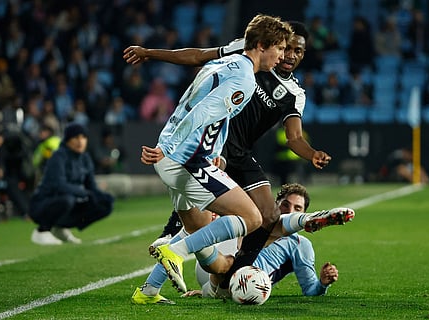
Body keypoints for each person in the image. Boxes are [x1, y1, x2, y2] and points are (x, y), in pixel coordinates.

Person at [124, 20, 332, 291]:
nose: (289, 55)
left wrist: (312, 153)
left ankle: (232, 275)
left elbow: (293, 137)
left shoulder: (295, 94)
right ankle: (178, 250)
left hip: (238, 152)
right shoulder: (244, 56)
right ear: (265, 45)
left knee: (267, 215)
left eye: (298, 51)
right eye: (286, 47)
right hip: (207, 147)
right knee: (220, 219)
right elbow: (197, 57)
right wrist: (150, 53)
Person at [131, 183, 354, 304]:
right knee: (210, 223)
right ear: (274, 203)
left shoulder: (300, 245)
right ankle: (309, 220)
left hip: (237, 284)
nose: (289, 209)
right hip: (222, 266)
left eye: (297, 209)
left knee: (199, 231)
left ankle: (152, 284)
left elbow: (310, 289)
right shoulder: (255, 218)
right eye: (285, 205)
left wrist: (323, 284)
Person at [28, 123, 114, 245]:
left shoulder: (85, 158)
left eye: (83, 137)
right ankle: (42, 230)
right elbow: (59, 185)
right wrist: (85, 193)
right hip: (42, 204)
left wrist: (102, 196)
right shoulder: (58, 156)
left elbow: (91, 187)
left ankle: (60, 227)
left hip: (69, 200)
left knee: (104, 204)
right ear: (68, 140)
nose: (80, 141)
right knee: (67, 199)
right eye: (76, 138)